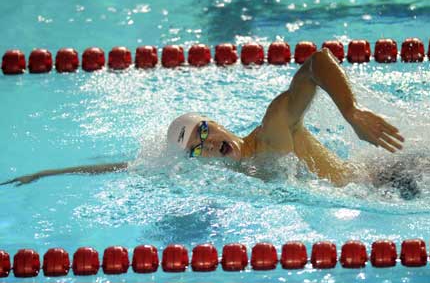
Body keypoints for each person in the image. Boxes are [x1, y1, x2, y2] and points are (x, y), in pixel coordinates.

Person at [1, 48, 405, 189]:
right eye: (198, 146)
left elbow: (316, 62)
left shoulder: (272, 134)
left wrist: (350, 112)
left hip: (393, 179)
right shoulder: (238, 171)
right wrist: (49, 174)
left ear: (221, 123)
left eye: (207, 130)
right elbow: (133, 167)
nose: (209, 143)